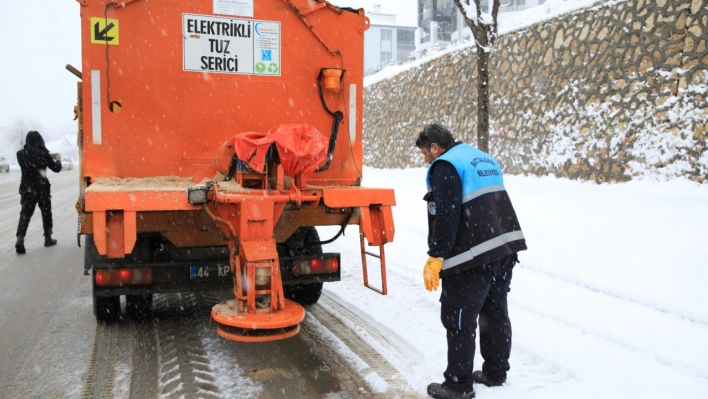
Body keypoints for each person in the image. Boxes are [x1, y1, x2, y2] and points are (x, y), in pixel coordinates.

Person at [417, 123, 527, 399]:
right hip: (503, 247)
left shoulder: (445, 165)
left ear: (434, 147)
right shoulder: (480, 157)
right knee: (495, 312)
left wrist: (436, 256)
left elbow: (446, 215)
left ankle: (458, 385)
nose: (425, 159)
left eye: (424, 152)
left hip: (473, 255)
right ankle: (495, 372)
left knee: (459, 318)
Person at [15, 131, 62, 254]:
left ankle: (20, 239)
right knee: (46, 213)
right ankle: (48, 238)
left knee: (25, 214)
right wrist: (57, 160)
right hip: (42, 189)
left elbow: (29, 160)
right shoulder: (43, 154)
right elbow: (56, 169)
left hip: (27, 189)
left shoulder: (20, 154)